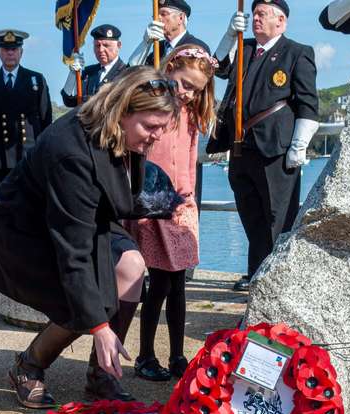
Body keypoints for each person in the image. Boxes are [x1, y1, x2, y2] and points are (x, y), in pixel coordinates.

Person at [0, 66, 180, 409]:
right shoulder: (71, 152)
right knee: (84, 299)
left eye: (162, 128)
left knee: (132, 265)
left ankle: (101, 376)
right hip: (27, 230)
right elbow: (73, 252)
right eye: (151, 127)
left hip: (80, 218)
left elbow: (118, 195)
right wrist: (100, 326)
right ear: (123, 111)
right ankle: (28, 366)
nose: (156, 136)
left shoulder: (120, 130)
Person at [212, 1, 319, 292]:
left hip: (277, 149)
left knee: (277, 219)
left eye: (262, 14)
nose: (254, 18)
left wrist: (299, 146)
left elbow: (308, 104)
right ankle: (256, 273)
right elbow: (217, 68)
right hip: (241, 147)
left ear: (280, 21)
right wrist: (227, 36)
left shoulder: (297, 53)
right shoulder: (243, 47)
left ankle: (277, 280)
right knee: (251, 215)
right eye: (254, 13)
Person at [126, 45, 216, 381]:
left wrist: (189, 197)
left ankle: (178, 355)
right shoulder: (154, 106)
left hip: (181, 207)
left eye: (193, 88)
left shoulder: (192, 114)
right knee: (159, 282)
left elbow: (190, 160)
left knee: (178, 284)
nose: (185, 92)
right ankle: (145, 354)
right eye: (181, 83)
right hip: (153, 206)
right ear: (170, 68)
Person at [0, 29, 52, 188]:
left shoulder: (36, 79)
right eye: (6, 49)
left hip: (29, 152)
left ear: (21, 52)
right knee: (4, 204)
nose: (10, 53)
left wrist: (44, 152)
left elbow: (45, 119)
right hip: (1, 155)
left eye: (14, 49)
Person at [61, 24, 127, 107]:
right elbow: (68, 101)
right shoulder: (88, 72)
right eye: (97, 45)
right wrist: (73, 74)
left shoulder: (126, 73)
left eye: (106, 45)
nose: (101, 50)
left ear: (119, 45)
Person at [128, 0, 210, 67]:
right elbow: (131, 75)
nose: (158, 19)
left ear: (180, 18)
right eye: (155, 15)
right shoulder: (158, 49)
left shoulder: (196, 48)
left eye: (163, 14)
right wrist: (145, 43)